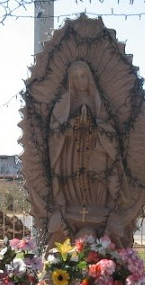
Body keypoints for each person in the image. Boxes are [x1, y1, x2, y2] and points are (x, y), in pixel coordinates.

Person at [48, 60, 127, 248]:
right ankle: (73, 205)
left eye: (83, 76)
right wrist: (70, 128)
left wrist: (96, 127)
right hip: (71, 154)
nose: (80, 81)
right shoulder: (64, 102)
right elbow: (54, 131)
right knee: (73, 180)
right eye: (75, 78)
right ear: (71, 81)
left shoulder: (99, 102)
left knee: (95, 180)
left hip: (96, 153)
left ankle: (96, 207)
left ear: (89, 78)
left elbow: (111, 133)